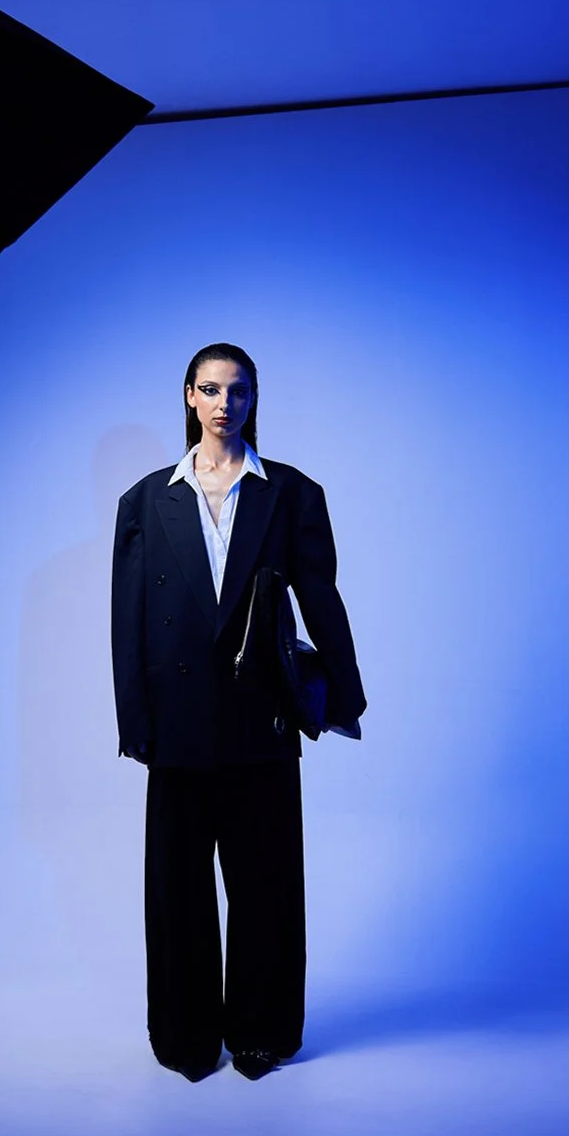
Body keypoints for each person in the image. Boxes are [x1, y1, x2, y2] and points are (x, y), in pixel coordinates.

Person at [111, 342, 366, 1082]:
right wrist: (137, 723)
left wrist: (342, 695)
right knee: (179, 892)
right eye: (212, 390)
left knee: (266, 886)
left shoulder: (290, 493)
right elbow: (129, 617)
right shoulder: (146, 501)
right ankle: (187, 1037)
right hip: (179, 722)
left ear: (255, 400)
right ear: (190, 397)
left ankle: (261, 1031)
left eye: (240, 391)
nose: (226, 404)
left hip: (261, 717)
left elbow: (321, 596)